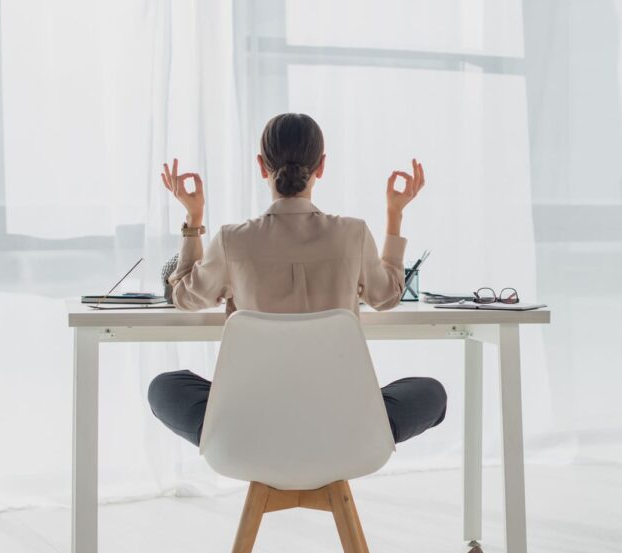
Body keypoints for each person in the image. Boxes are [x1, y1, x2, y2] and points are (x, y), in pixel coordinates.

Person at [147, 113, 446, 446]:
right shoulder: (352, 233)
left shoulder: (233, 240)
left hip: (251, 427)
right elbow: (388, 296)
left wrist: (193, 218)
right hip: (341, 426)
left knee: (165, 386)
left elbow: (185, 297)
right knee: (431, 392)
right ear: (321, 166)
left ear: (262, 166)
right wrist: (395, 215)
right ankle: (357, 434)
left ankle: (235, 436)